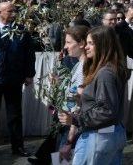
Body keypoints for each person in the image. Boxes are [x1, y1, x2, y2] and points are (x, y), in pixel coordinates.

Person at [58, 26, 128, 164]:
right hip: (107, 134)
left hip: (99, 136)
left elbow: (107, 110)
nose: (86, 47)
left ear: (103, 45)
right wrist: (82, 100)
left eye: (91, 43)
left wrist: (76, 120)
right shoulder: (107, 69)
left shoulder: (105, 73)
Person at [29, 26, 89, 165]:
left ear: (81, 43)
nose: (66, 46)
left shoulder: (84, 67)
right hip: (68, 124)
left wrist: (69, 140)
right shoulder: (78, 65)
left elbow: (78, 105)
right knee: (59, 159)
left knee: (64, 160)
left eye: (69, 42)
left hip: (72, 127)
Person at [0, 1, 35, 157]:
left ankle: (17, 147)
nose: (13, 14)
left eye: (14, 11)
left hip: (14, 79)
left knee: (15, 115)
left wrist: (29, 74)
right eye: (10, 11)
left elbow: (29, 54)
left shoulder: (21, 31)